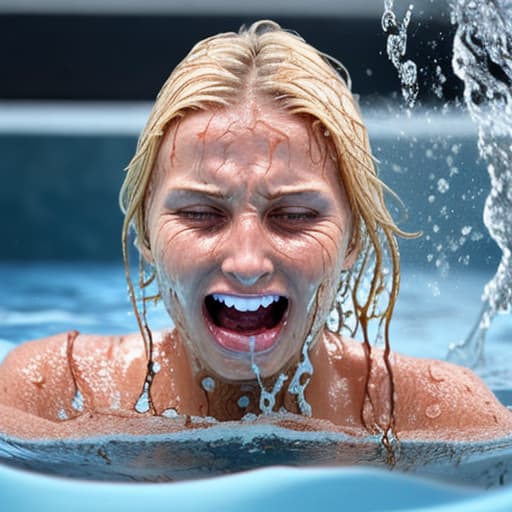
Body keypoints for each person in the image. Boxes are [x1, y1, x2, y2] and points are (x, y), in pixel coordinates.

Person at [0, 20, 511, 445]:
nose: (247, 263)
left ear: (354, 239)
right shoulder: (52, 395)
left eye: (294, 216)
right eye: (201, 214)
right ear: (146, 238)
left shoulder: (442, 417)